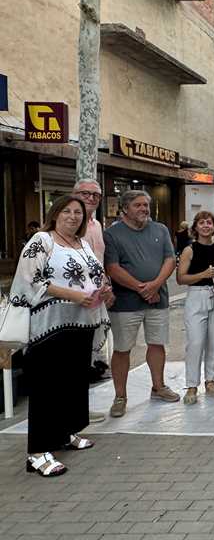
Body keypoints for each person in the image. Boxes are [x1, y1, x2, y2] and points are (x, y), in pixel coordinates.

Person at [8, 195, 112, 476]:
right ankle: (38, 452)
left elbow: (97, 274)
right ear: (55, 214)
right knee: (47, 387)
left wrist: (103, 289)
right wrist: (74, 295)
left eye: (78, 212)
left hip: (82, 323)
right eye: (66, 211)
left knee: (74, 382)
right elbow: (30, 279)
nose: (73, 216)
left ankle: (66, 433)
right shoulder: (42, 241)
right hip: (50, 326)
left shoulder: (83, 243)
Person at [104, 190, 179, 418]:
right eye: (138, 205)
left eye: (146, 205)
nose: (144, 209)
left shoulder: (160, 229)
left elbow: (170, 259)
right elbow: (112, 268)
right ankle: (120, 397)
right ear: (125, 208)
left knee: (157, 345)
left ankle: (158, 386)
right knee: (122, 349)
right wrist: (141, 288)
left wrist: (155, 285)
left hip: (158, 300)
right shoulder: (112, 234)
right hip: (125, 303)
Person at [176, 211, 214, 405]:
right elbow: (181, 278)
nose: (206, 226)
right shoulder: (190, 250)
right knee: (195, 342)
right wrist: (203, 273)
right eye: (202, 223)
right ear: (195, 227)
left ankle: (210, 380)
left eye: (209, 223)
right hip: (196, 296)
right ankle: (191, 384)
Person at [73, 179, 111, 419]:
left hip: (96, 298)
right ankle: (76, 409)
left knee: (88, 352)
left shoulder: (96, 225)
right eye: (84, 193)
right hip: (73, 300)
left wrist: (106, 285)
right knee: (75, 355)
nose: (90, 198)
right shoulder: (68, 224)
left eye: (96, 195)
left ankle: (80, 407)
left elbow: (99, 260)